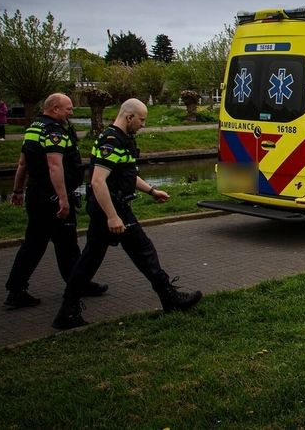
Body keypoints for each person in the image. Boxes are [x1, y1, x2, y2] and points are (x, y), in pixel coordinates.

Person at [52, 99, 202, 330]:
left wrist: (152, 191)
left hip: (112, 208)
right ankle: (170, 298)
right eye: (141, 120)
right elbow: (98, 182)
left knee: (90, 260)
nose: (143, 124)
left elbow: (126, 175)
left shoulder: (122, 140)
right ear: (129, 117)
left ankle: (67, 310)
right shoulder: (111, 141)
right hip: (111, 210)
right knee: (144, 251)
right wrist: (112, 216)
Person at [4, 94, 108, 308]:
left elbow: (23, 163)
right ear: (54, 109)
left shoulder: (34, 128)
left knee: (35, 243)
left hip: (36, 194)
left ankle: (16, 289)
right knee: (67, 244)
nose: (71, 113)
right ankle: (78, 284)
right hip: (52, 197)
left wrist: (17, 190)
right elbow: (54, 165)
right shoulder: (53, 132)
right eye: (68, 109)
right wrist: (63, 198)